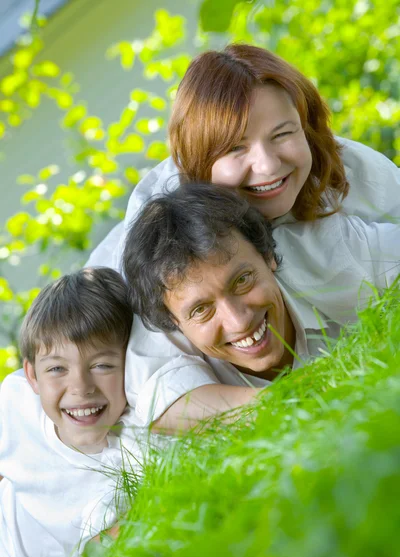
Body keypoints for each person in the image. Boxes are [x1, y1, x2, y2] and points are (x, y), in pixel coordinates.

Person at [86, 43, 400, 430]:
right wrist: (294, 402)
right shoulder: (159, 240)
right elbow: (157, 391)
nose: (267, 165)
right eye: (236, 148)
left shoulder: (350, 174)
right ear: (197, 162)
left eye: (283, 134)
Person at [121, 183, 400, 431]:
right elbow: (156, 403)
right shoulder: (163, 355)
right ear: (174, 323)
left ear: (268, 256)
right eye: (201, 310)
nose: (238, 321)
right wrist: (291, 400)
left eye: (242, 280)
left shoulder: (332, 252)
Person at [0, 268, 143, 557]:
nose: (80, 388)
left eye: (102, 365)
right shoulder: (16, 402)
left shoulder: (143, 441)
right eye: (56, 369)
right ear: (32, 376)